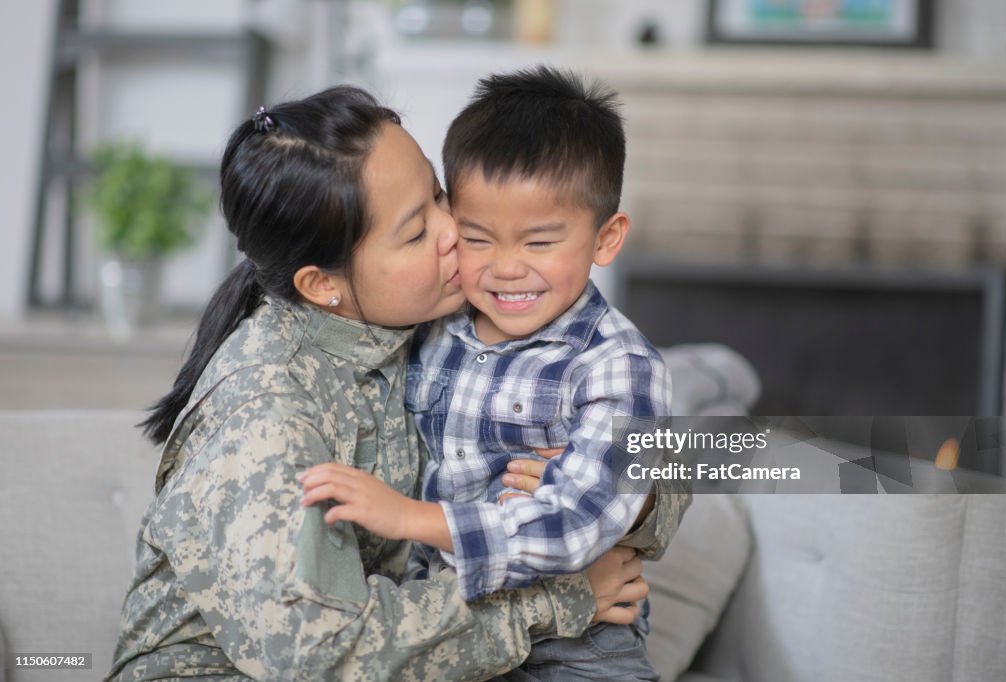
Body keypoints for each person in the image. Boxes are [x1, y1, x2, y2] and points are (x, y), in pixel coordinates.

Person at [106, 85, 659, 681]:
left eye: (439, 195)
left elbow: (638, 411)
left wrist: (628, 495)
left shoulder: (433, 313)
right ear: (323, 286)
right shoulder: (267, 411)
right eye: (418, 232)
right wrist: (560, 598)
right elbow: (320, 655)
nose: (460, 232)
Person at [298, 67, 688, 681]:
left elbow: (579, 520)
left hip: (576, 643)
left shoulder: (619, 365)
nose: (506, 269)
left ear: (606, 238)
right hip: (447, 631)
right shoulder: (430, 325)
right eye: (478, 238)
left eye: (538, 243)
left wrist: (409, 517)